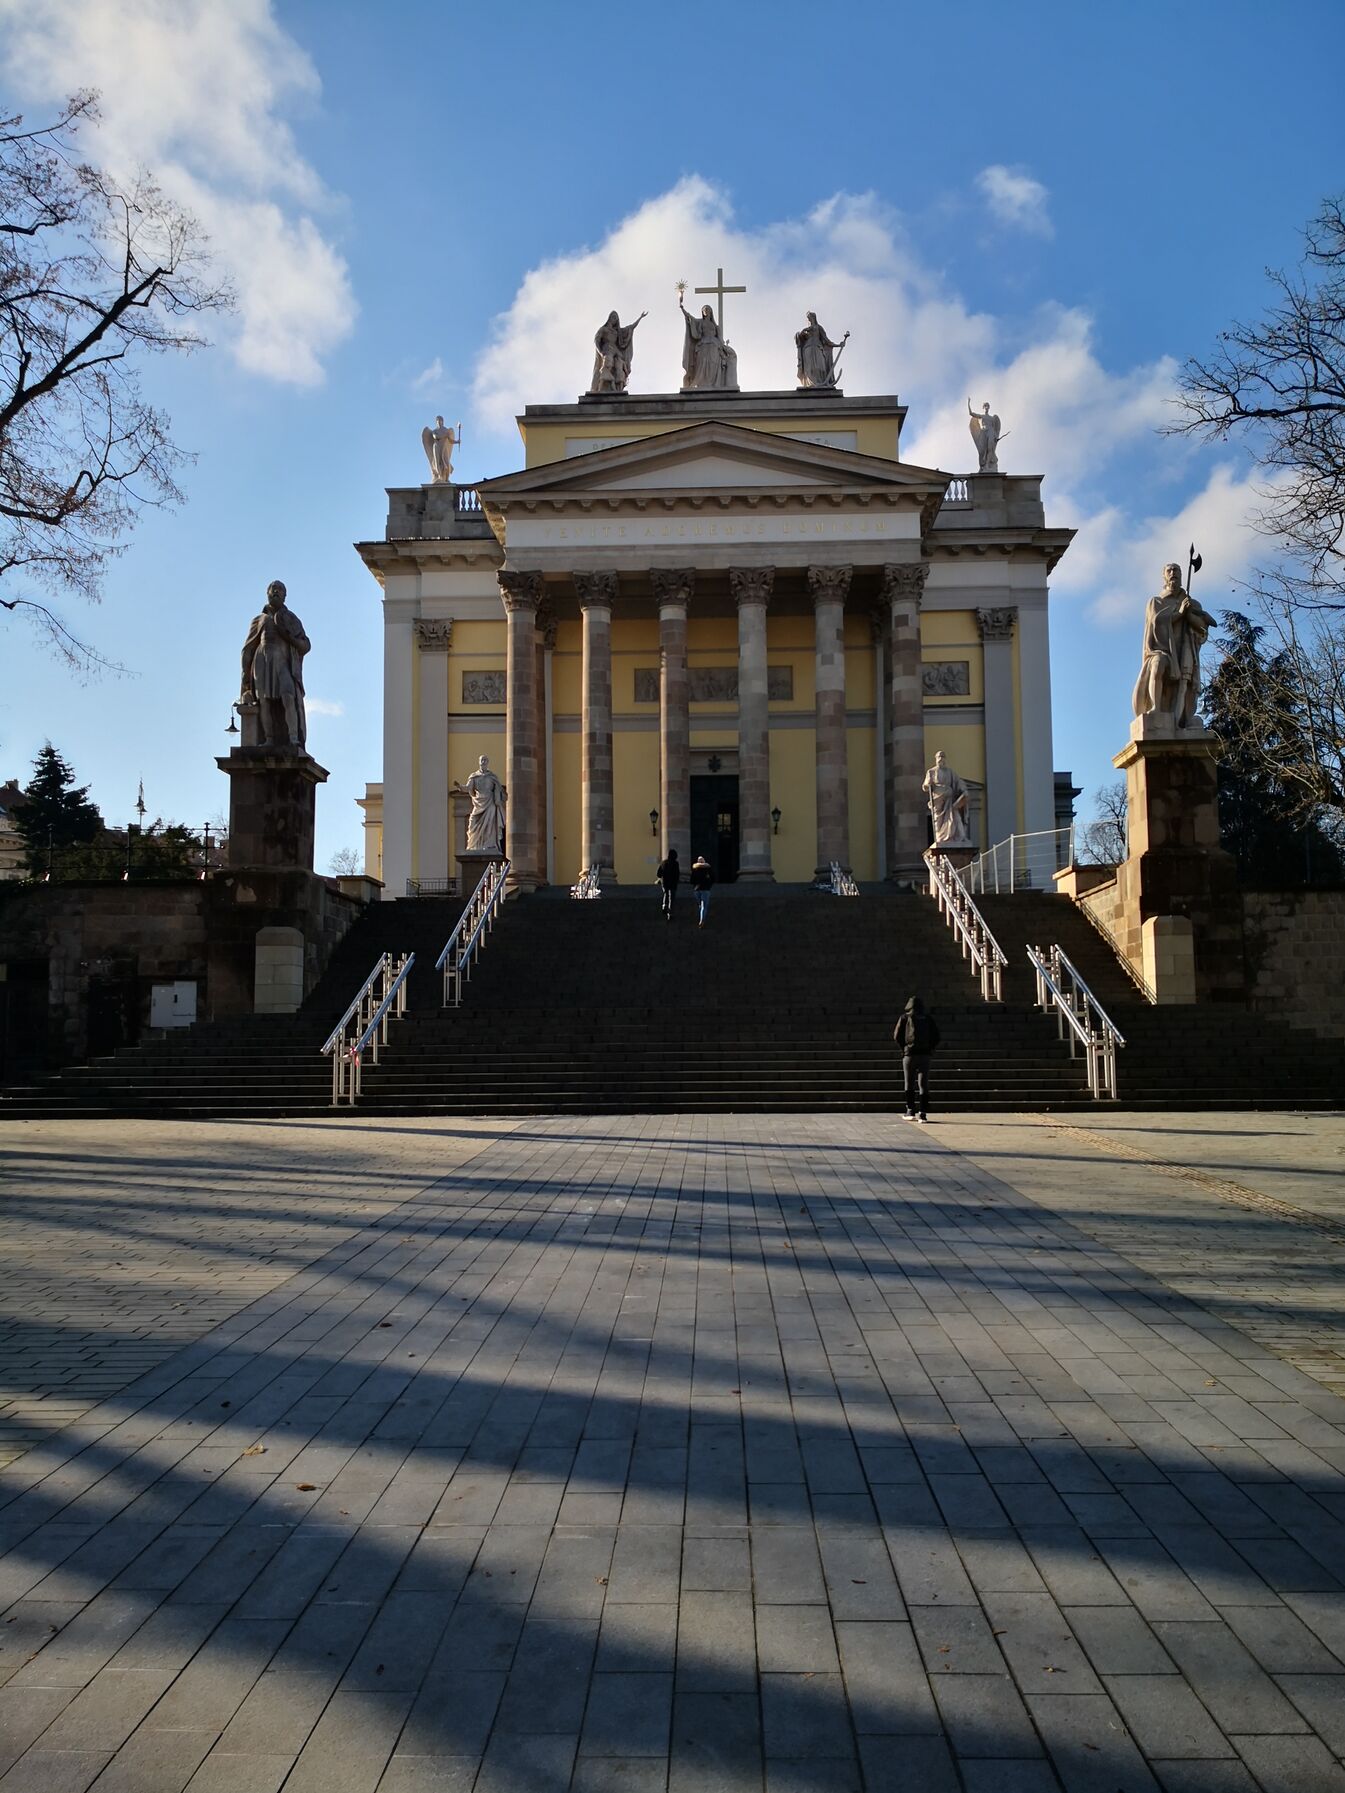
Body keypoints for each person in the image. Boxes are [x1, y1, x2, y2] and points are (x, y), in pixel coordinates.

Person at [893, 994, 940, 1123]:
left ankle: (910, 1110)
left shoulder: (904, 1018)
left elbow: (896, 1036)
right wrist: (930, 1048)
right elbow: (936, 1036)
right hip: (925, 1055)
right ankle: (923, 1113)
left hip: (909, 1054)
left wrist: (904, 1048)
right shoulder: (928, 1018)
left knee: (909, 1082)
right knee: (923, 1084)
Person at [655, 846, 680, 921]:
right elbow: (677, 874)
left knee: (665, 894)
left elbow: (658, 874)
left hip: (665, 882)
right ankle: (670, 913)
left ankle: (664, 906)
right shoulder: (675, 863)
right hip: (673, 883)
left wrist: (661, 878)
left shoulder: (663, 863)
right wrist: (677, 881)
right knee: (671, 898)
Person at [690, 853, 714, 927]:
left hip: (697, 890)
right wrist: (709, 885)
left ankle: (701, 916)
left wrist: (696, 885)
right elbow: (712, 878)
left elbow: (691, 880)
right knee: (704, 906)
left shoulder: (695, 870)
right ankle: (702, 920)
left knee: (700, 905)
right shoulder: (708, 870)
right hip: (705, 889)